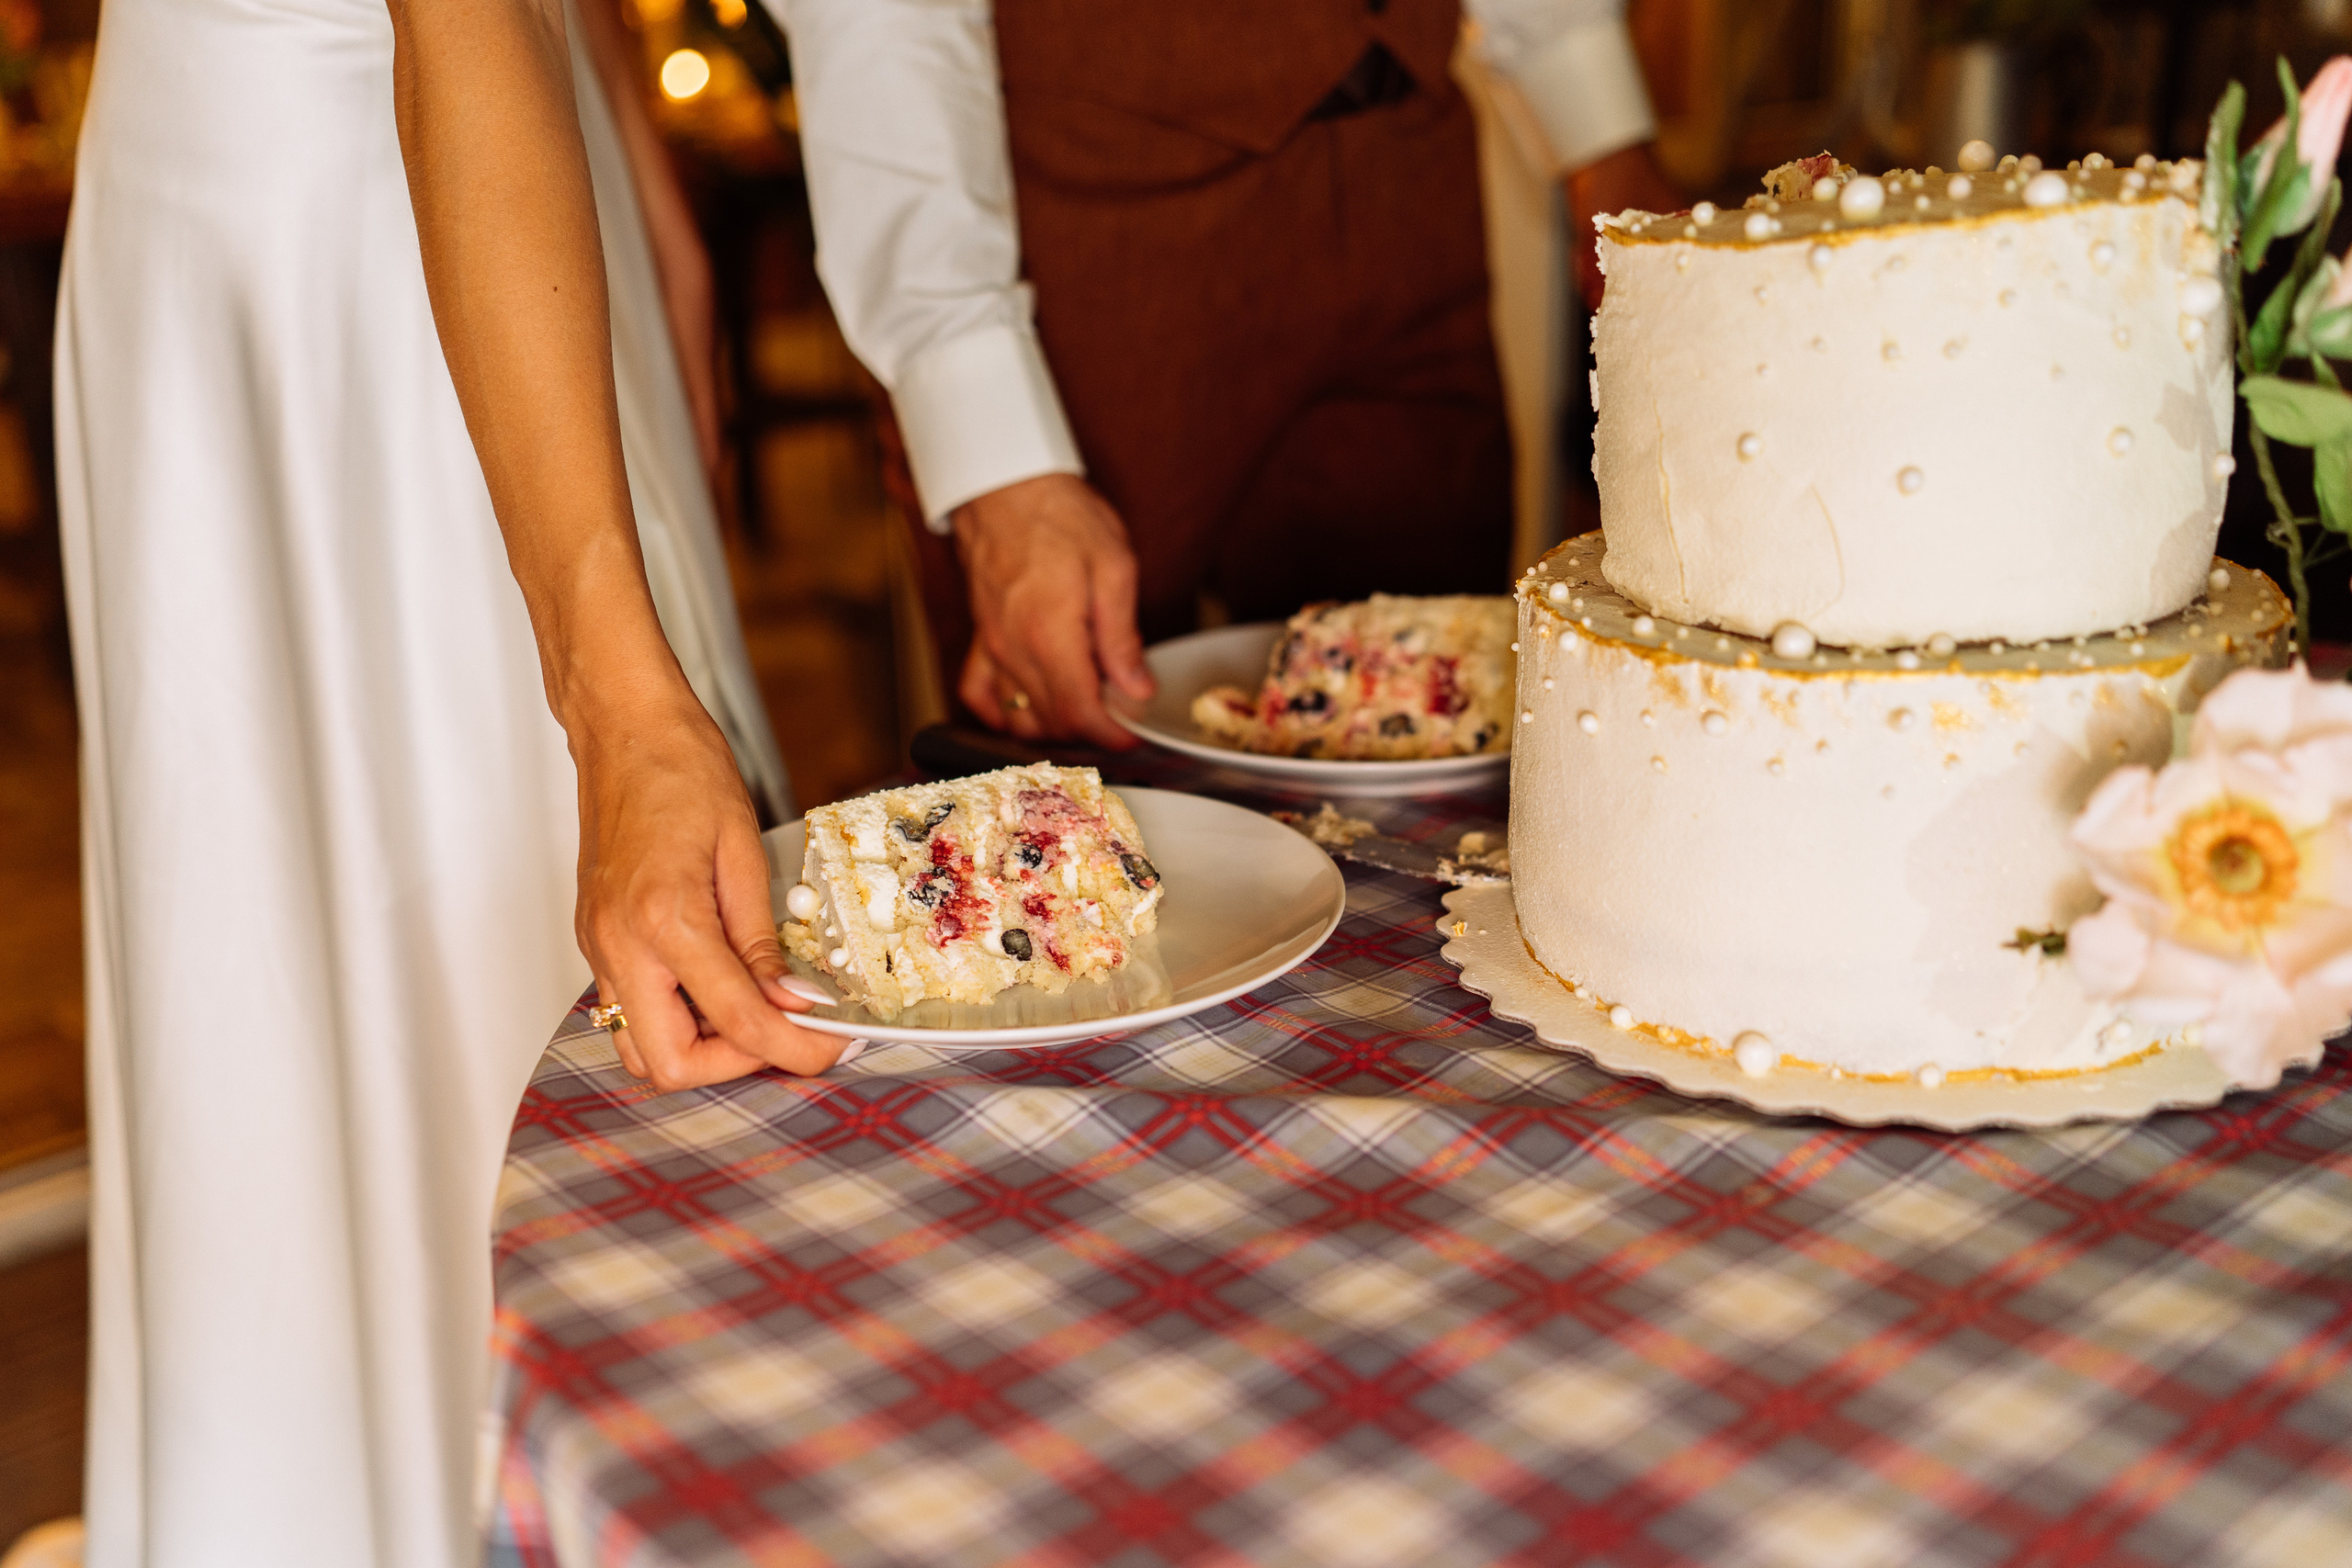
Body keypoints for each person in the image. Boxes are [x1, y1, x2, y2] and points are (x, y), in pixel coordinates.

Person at [56, 0, 841, 1560]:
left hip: (431, 167)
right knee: (522, 969)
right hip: (341, 233)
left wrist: (628, 150)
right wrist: (615, 703)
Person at [768, 0, 1679, 748]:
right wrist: (993, 459)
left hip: (1410, 176)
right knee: (1083, 757)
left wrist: (1595, 126)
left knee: (1438, 733)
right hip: (1084, 230)